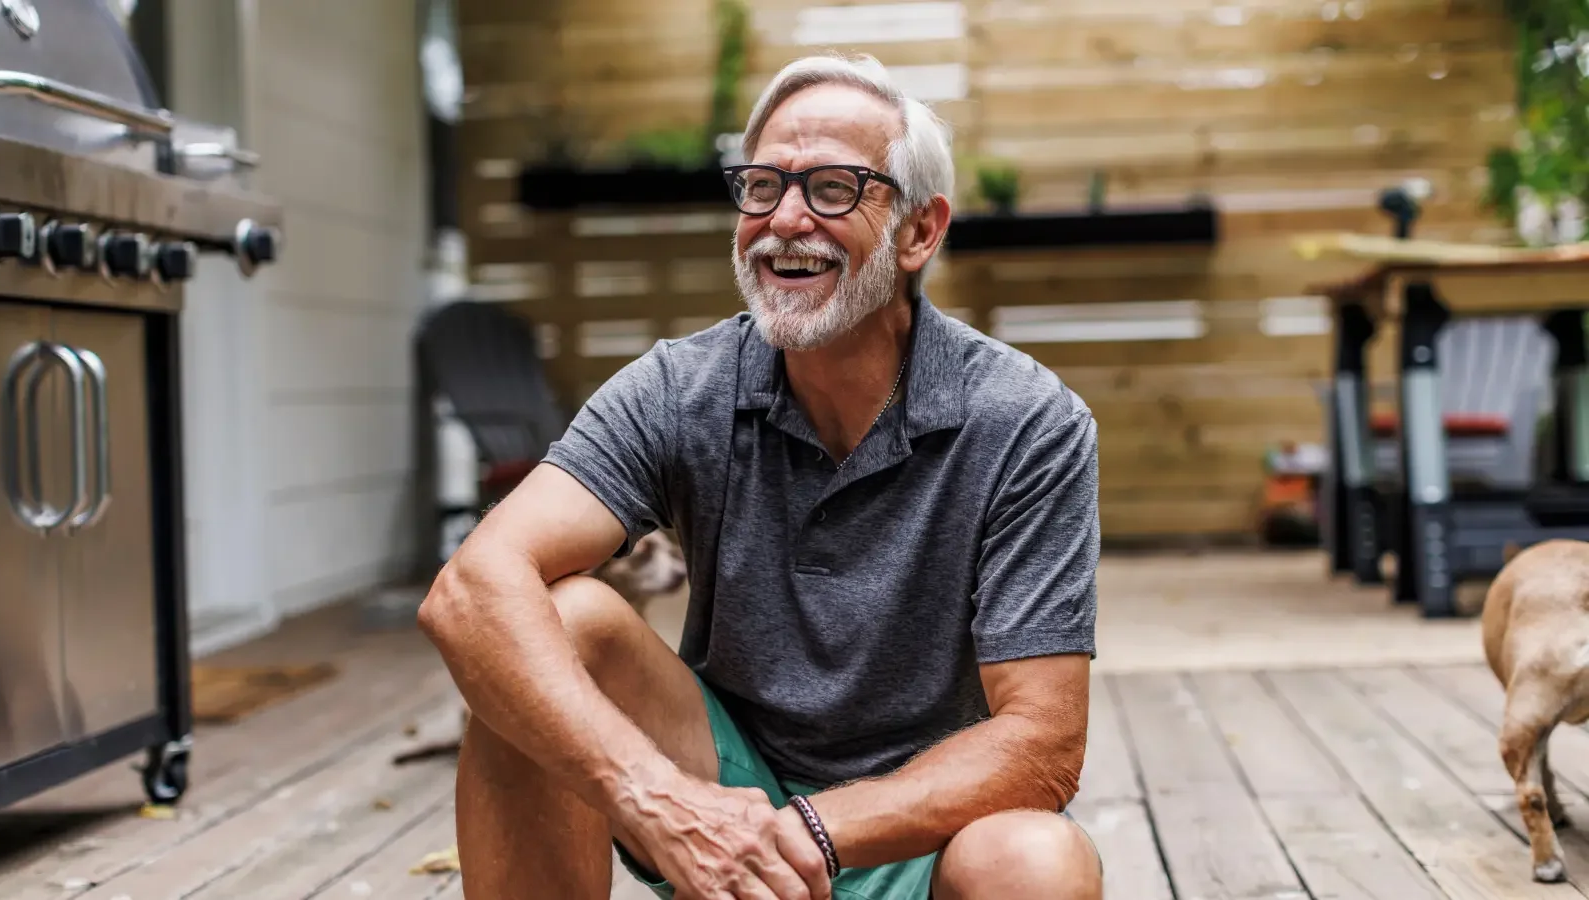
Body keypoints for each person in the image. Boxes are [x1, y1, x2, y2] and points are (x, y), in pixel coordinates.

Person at [418, 52, 1104, 900]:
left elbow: (1042, 743)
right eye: (761, 187)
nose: (784, 221)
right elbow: (470, 588)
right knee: (556, 623)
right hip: (718, 794)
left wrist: (804, 836)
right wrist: (665, 802)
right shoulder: (680, 387)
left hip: (922, 829)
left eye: (832, 189)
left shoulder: (1027, 419)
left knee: (1039, 862)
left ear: (920, 231)